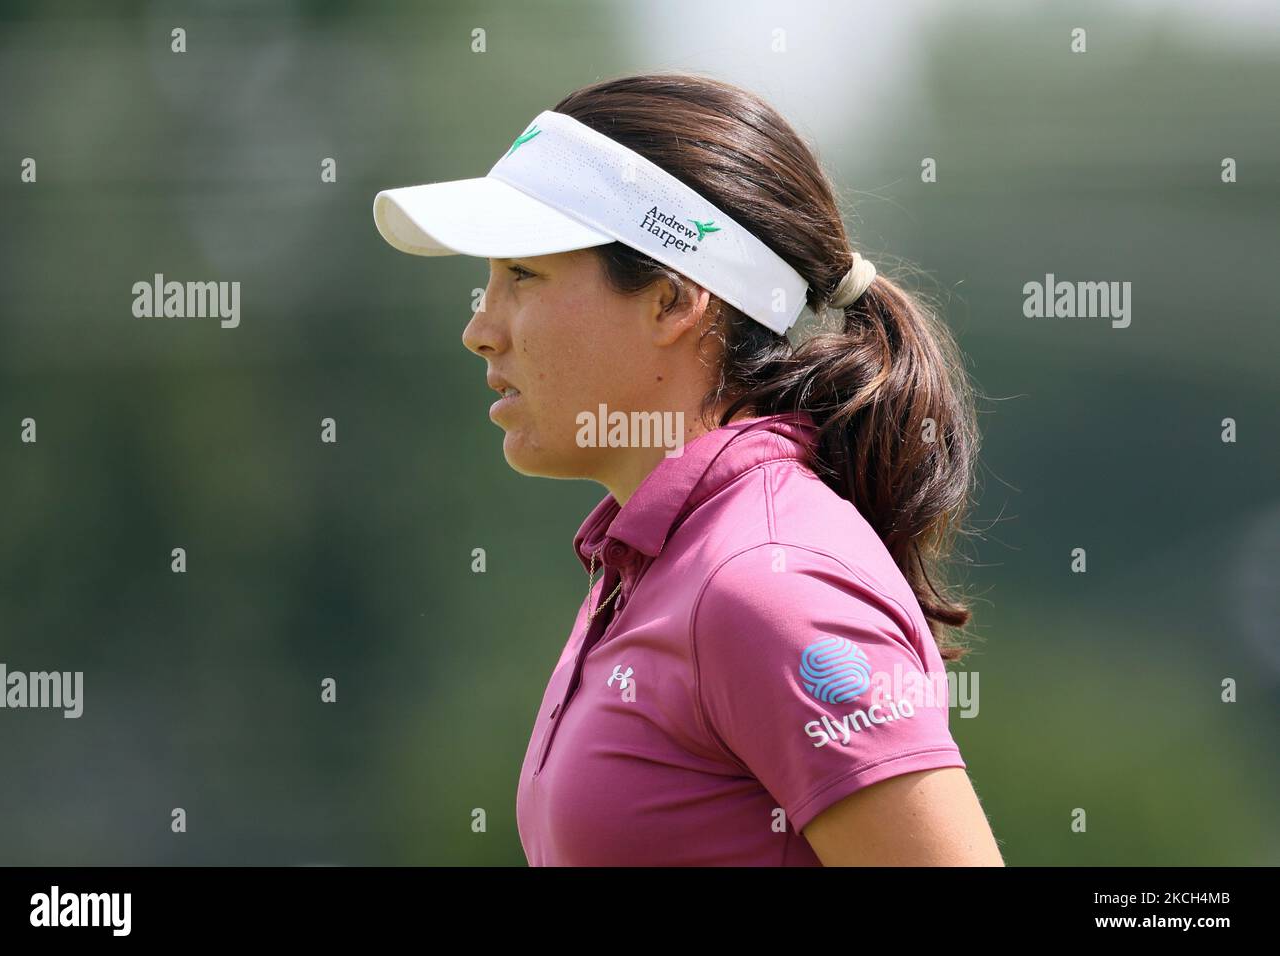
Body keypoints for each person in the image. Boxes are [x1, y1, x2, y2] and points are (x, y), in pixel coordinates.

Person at [372, 71, 1003, 866]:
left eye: (523, 275)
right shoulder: (656, 562)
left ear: (673, 300)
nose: (479, 329)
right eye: (486, 281)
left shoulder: (767, 583)